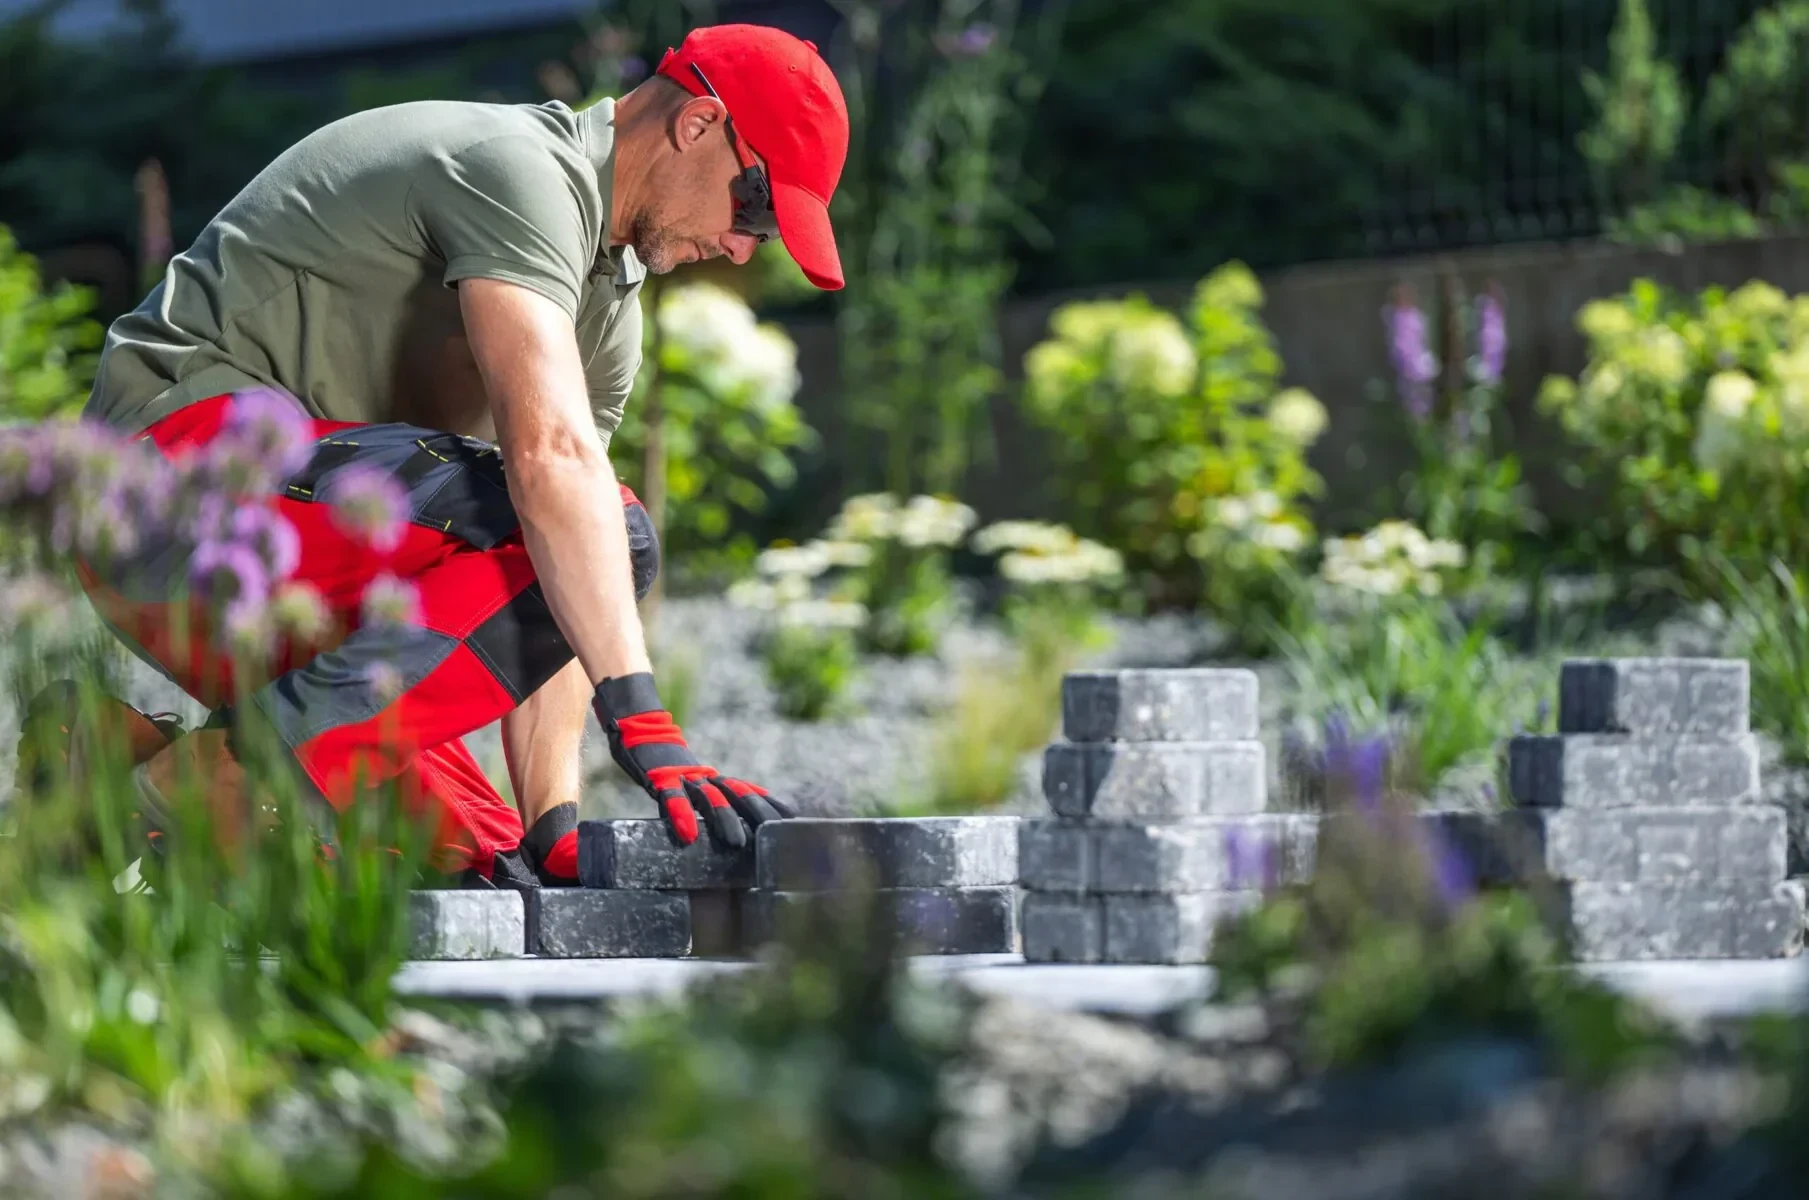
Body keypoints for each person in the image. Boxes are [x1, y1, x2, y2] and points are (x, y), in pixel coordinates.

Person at [40, 22, 850, 888]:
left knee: (480, 861)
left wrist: (556, 830)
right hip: (170, 490)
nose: (741, 246)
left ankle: (109, 762)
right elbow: (551, 466)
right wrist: (643, 719)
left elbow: (568, 558)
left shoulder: (607, 313)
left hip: (294, 570)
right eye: (755, 208)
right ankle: (210, 785)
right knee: (612, 519)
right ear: (699, 123)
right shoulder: (520, 169)